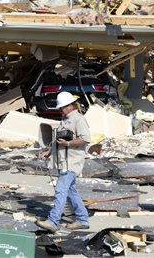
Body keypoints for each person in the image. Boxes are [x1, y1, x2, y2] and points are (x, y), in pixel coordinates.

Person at [36, 91, 91, 233]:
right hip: (63, 162)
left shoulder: (78, 119)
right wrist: (48, 153)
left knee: (60, 190)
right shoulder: (64, 120)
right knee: (71, 192)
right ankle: (82, 219)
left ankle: (53, 221)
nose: (61, 110)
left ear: (69, 106)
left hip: (72, 162)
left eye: (62, 107)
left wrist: (68, 144)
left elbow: (85, 139)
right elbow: (57, 141)